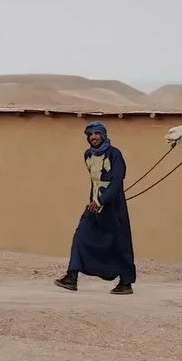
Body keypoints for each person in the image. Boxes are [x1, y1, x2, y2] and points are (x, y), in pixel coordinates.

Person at [54, 121, 137, 294]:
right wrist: (94, 201)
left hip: (114, 207)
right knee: (81, 235)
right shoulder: (88, 155)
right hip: (93, 206)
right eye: (90, 135)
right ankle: (71, 277)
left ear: (103, 135)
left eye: (96, 133)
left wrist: (102, 200)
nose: (93, 137)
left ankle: (126, 282)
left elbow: (116, 181)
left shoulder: (115, 154)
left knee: (119, 243)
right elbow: (94, 182)